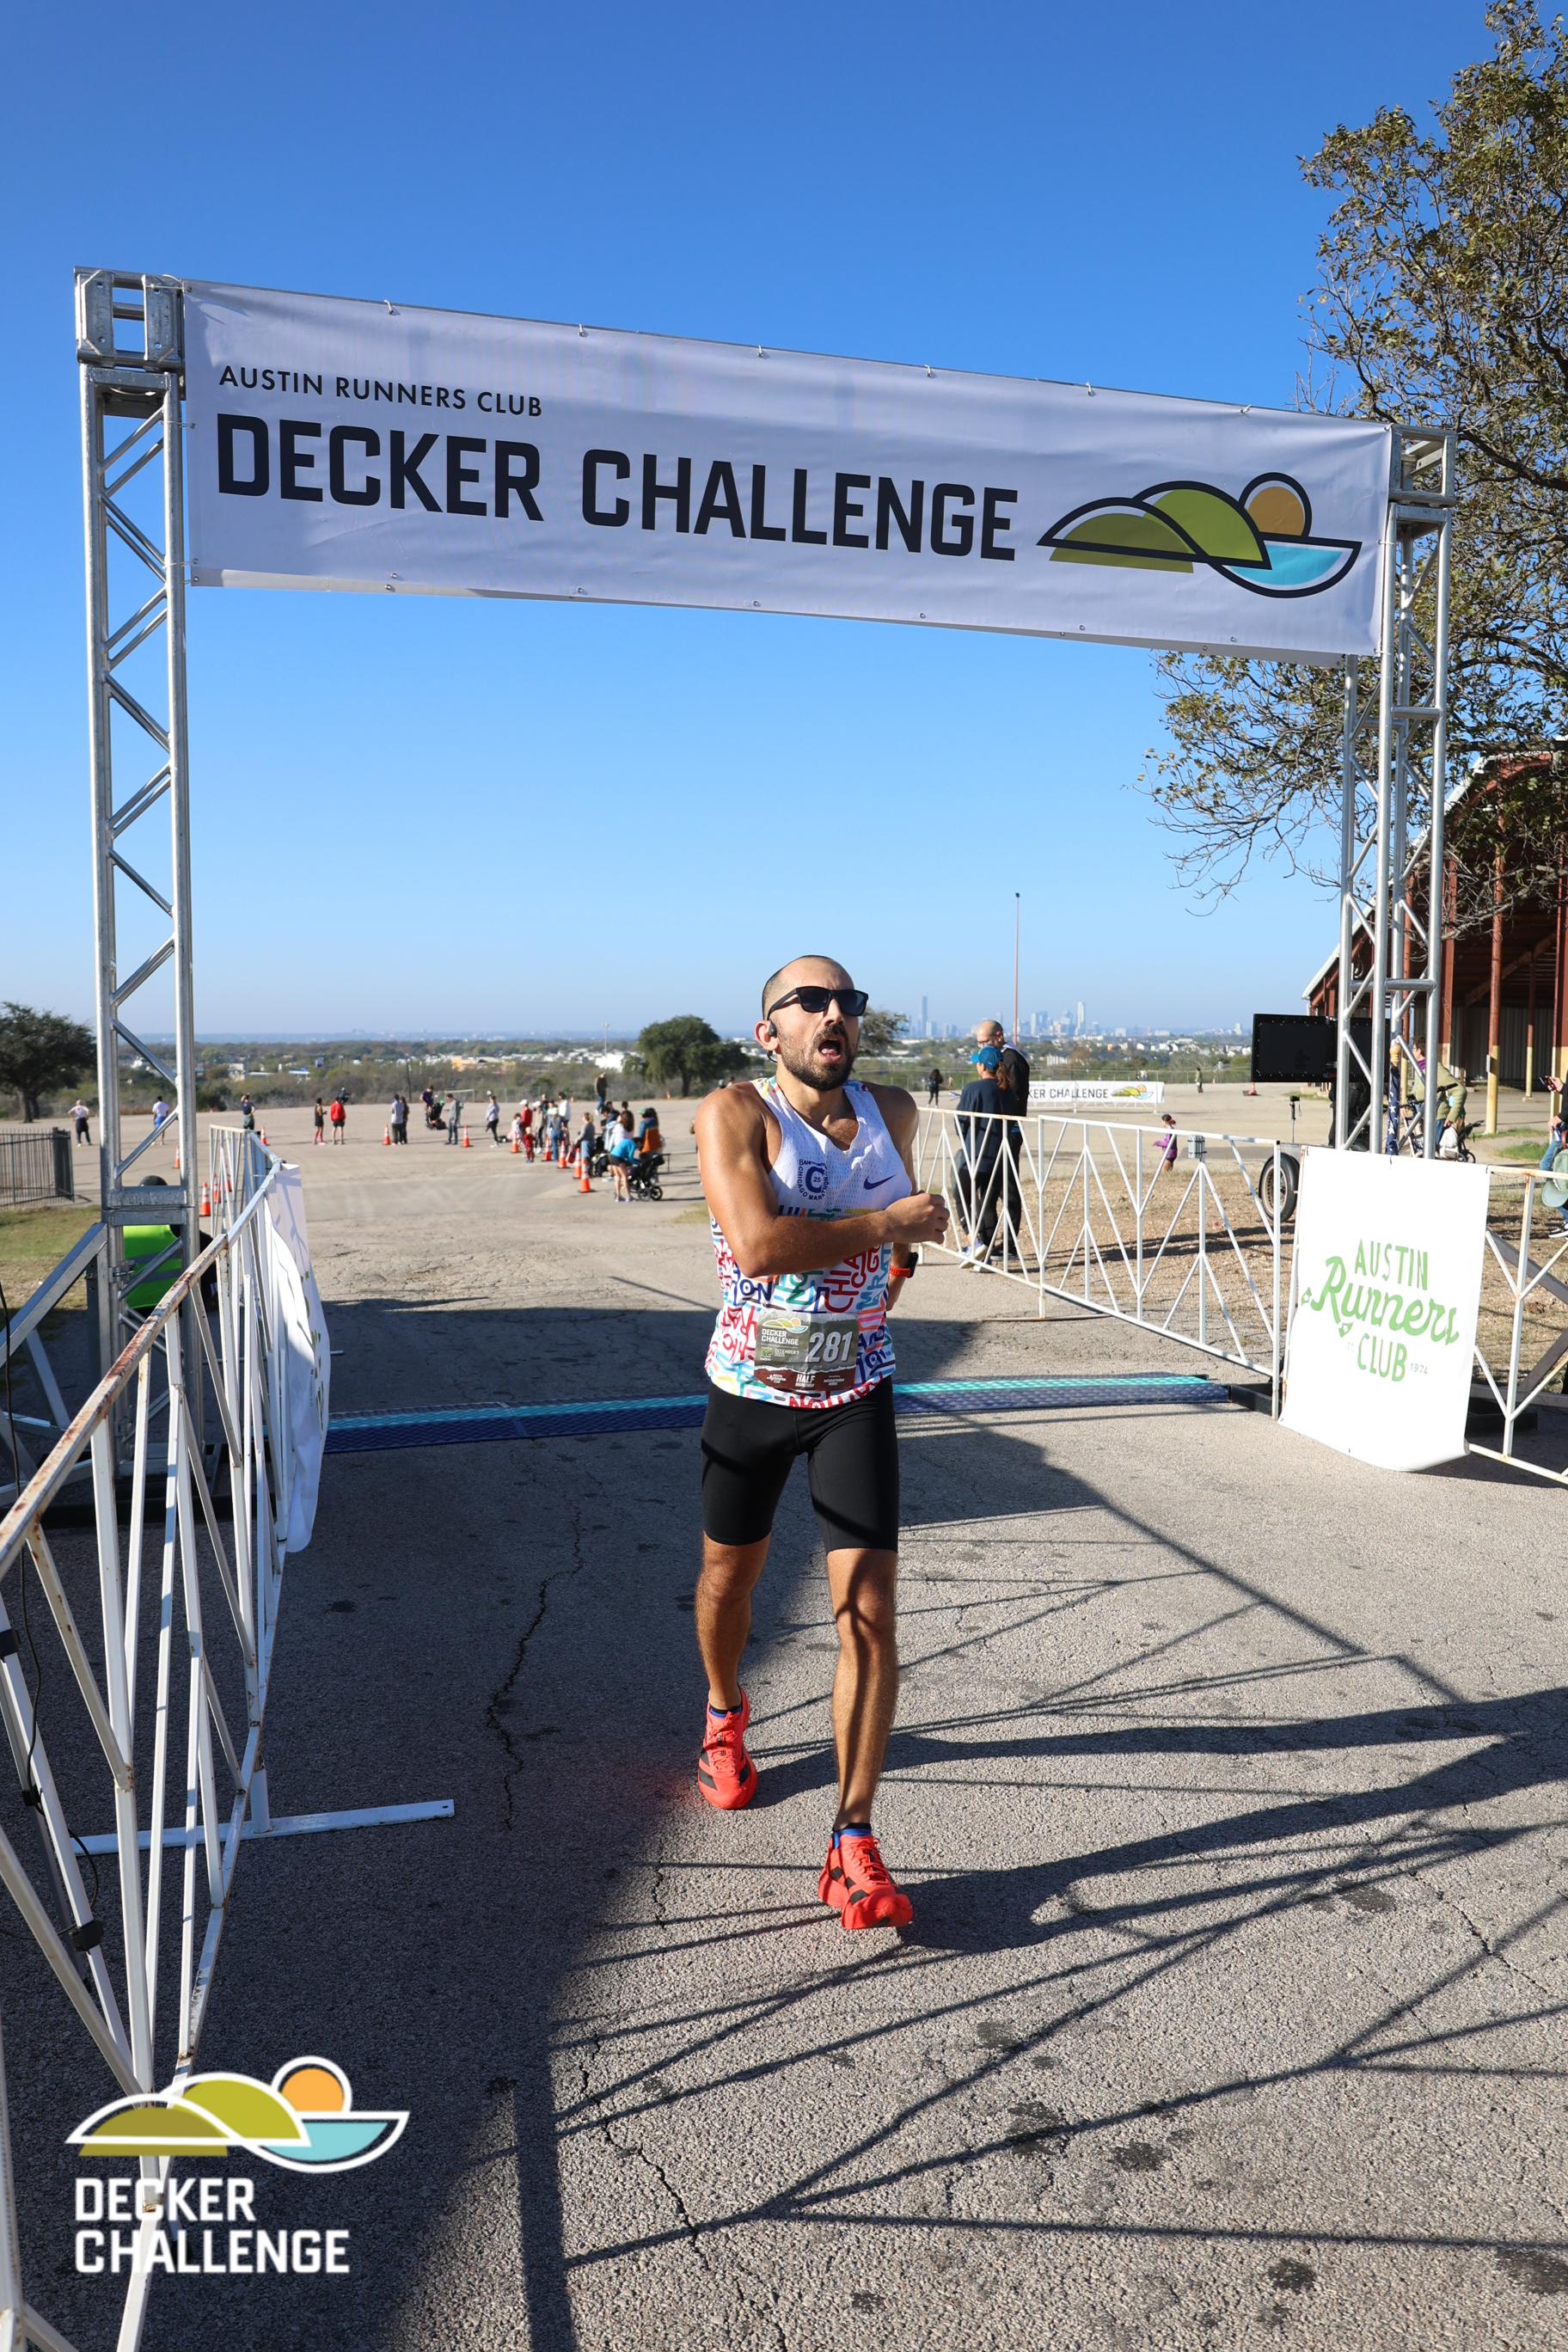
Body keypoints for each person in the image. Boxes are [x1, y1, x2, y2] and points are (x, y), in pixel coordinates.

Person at [693, 955, 948, 1932]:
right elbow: (757, 1247)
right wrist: (882, 1224)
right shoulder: (734, 1114)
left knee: (870, 1614)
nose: (834, 1014)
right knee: (729, 1582)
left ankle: (852, 1839)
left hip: (856, 1390)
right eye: (811, 1002)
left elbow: (903, 1224)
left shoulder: (893, 1110)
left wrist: (899, 1257)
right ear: (770, 1031)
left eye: (848, 1002)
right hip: (752, 1392)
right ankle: (725, 1713)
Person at [953, 1046, 1006, 1264]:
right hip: (1000, 1157)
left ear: (982, 1066)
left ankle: (974, 1242)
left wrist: (966, 1138)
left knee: (961, 1196)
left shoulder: (972, 1089)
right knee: (988, 1204)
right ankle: (987, 1253)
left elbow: (960, 1124)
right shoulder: (1007, 1090)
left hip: (975, 1156)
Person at [607, 1109, 638, 1202]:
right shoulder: (631, 1130)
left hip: (614, 1152)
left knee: (617, 1176)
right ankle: (628, 1195)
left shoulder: (618, 1127)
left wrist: (617, 1121)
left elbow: (608, 1127)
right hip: (622, 1154)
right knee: (624, 1176)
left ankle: (618, 1196)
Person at [1150, 1112, 1180, 1188]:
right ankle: (1171, 1186)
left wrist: (1158, 1143)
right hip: (1171, 1153)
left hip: (1170, 1154)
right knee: (1169, 1172)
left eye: (1162, 1121)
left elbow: (1168, 1143)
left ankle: (1167, 1186)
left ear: (1165, 1122)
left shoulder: (1170, 1131)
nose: (1162, 1123)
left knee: (1164, 1172)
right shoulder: (1171, 1130)